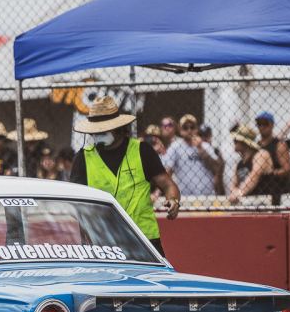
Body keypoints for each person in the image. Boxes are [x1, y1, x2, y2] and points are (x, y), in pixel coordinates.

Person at [69, 96, 179, 257]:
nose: (98, 134)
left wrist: (174, 200)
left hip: (145, 239)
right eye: (95, 130)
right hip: (105, 242)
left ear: (119, 128)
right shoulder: (82, 159)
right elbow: (74, 202)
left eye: (104, 129)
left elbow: (168, 184)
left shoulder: (142, 151)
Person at [161, 114, 220, 196]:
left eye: (192, 127)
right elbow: (167, 170)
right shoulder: (175, 146)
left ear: (196, 129)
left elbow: (217, 168)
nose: (189, 130)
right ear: (180, 130)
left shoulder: (205, 146)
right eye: (185, 128)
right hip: (185, 196)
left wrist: (200, 148)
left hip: (207, 196)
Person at [254, 112, 290, 205]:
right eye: (259, 124)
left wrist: (267, 173)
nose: (261, 126)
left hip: (277, 191)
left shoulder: (279, 145)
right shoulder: (256, 146)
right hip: (260, 192)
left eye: (265, 123)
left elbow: (288, 170)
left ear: (272, 125)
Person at [228, 125, 273, 204]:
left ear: (244, 142)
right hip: (247, 203)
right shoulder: (239, 163)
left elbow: (254, 176)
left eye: (236, 140)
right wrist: (234, 193)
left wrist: (239, 193)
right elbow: (233, 185)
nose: (234, 143)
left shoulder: (261, 154)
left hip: (263, 202)